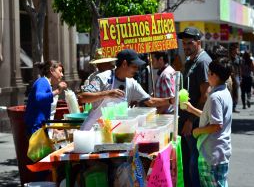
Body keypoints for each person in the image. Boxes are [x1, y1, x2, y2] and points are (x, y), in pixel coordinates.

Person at [78, 49, 175, 130]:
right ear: (124, 64)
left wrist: (171, 100)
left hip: (115, 132)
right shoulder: (103, 78)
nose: (136, 70)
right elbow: (82, 97)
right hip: (92, 132)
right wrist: (106, 94)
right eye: (134, 67)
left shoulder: (132, 83)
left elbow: (150, 101)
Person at [184, 57, 232, 187]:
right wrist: (192, 109)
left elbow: (216, 125)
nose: (207, 76)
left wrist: (197, 131)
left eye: (209, 73)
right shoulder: (224, 92)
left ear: (214, 75)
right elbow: (212, 118)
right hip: (218, 151)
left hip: (212, 153)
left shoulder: (216, 97)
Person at [178, 27, 212, 187]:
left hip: (195, 124)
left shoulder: (203, 61)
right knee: (187, 164)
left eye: (189, 43)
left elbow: (206, 95)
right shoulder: (192, 61)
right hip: (186, 122)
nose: (186, 46)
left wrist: (190, 120)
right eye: (184, 43)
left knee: (193, 167)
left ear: (199, 42)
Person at [25, 60, 67, 135]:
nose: (62, 75)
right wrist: (57, 91)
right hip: (36, 129)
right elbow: (39, 97)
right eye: (60, 71)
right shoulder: (42, 81)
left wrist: (54, 130)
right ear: (51, 70)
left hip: (41, 128)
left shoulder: (47, 84)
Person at [229, 43, 242, 113]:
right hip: (229, 76)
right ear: (232, 50)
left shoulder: (238, 58)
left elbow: (240, 68)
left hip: (236, 76)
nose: (237, 50)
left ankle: (234, 107)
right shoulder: (228, 58)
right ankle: (229, 107)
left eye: (237, 49)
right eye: (236, 49)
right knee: (229, 92)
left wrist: (240, 77)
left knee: (236, 92)